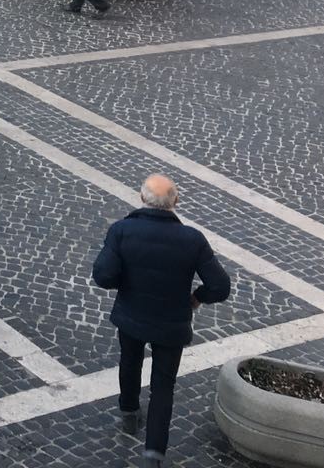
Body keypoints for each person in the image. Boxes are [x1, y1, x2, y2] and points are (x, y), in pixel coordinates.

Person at [93, 175, 231, 466]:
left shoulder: (122, 231)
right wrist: (197, 298)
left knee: (129, 362)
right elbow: (220, 286)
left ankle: (129, 411)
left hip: (132, 316)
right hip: (172, 323)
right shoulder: (192, 239)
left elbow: (103, 275)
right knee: (163, 387)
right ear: (175, 202)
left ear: (142, 198)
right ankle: (154, 453)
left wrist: (126, 283)